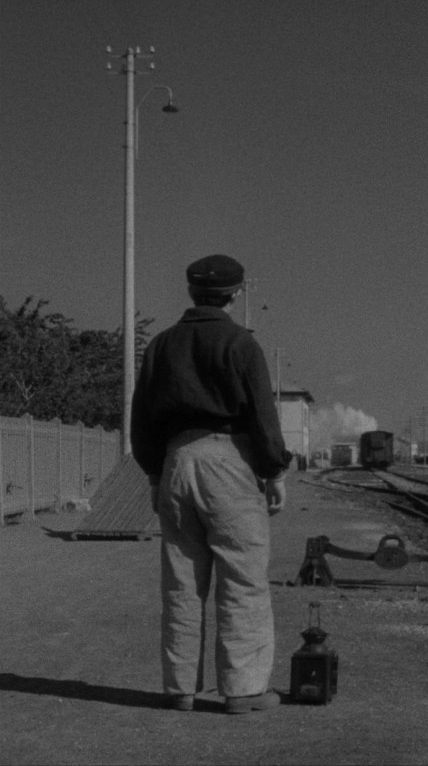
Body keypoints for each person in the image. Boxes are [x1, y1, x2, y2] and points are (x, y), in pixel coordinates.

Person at [131, 254, 292, 714]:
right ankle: (243, 690)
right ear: (236, 294)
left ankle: (180, 687)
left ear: (189, 292)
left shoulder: (160, 345)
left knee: (181, 582)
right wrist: (274, 470)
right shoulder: (242, 344)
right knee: (242, 577)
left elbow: (140, 419)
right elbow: (263, 416)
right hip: (230, 462)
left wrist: (155, 473)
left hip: (176, 460)